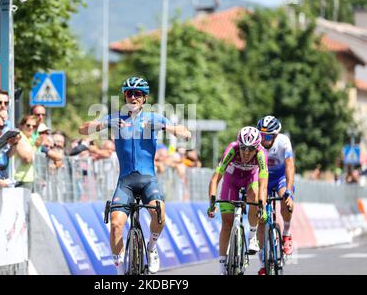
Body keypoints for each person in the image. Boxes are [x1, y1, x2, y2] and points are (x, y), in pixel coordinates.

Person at [79, 76, 191, 275]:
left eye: (137, 94)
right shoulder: (116, 118)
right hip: (125, 182)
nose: (133, 97)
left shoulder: (153, 118)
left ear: (144, 98)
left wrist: (166, 127)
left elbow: (186, 134)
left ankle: (152, 246)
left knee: (159, 213)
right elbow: (83, 129)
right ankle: (120, 270)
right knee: (115, 225)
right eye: (129, 93)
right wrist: (105, 125)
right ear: (124, 96)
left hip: (148, 179)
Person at [207, 126, 268, 275]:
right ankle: (222, 266)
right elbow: (215, 178)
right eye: (243, 148)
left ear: (257, 147)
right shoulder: (232, 149)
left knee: (254, 195)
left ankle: (252, 236)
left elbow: (263, 184)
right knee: (227, 224)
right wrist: (212, 202)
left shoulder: (261, 153)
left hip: (250, 179)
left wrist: (262, 207)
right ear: (238, 144)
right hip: (231, 180)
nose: (246, 152)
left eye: (251, 149)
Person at [256, 115, 296, 275]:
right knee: (261, 219)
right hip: (263, 178)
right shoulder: (256, 143)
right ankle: (263, 264)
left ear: (275, 135)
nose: (263, 139)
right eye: (261, 135)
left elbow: (290, 167)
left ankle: (286, 233)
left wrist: (288, 189)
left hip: (279, 178)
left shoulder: (283, 142)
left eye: (266, 136)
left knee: (286, 201)